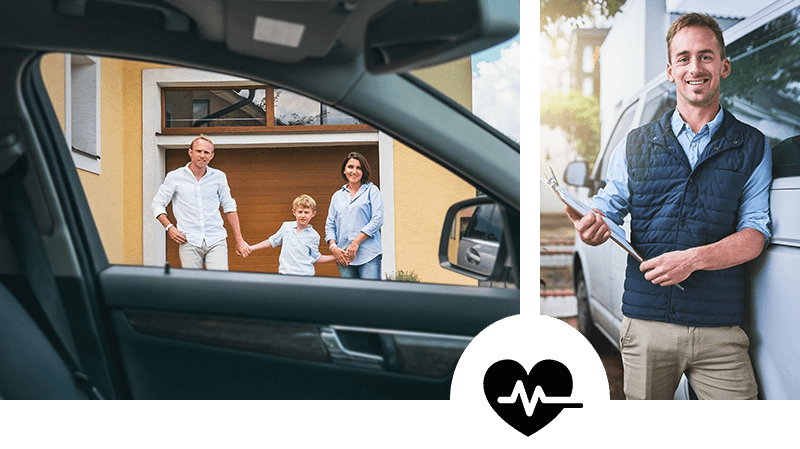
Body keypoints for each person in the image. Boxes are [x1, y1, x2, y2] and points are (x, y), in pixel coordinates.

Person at [567, 13, 772, 400]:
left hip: (720, 330)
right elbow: (606, 208)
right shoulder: (635, 143)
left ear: (723, 66)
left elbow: (755, 234)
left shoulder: (753, 145)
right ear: (670, 70)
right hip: (648, 326)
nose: (695, 67)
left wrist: (692, 259)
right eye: (684, 58)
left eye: (706, 56)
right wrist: (590, 225)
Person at [151, 136, 250, 270]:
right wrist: (170, 228)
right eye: (199, 151)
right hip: (189, 241)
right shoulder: (175, 177)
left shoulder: (219, 177)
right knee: (193, 286)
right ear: (190, 152)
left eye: (206, 152)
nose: (202, 155)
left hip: (216, 239)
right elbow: (157, 204)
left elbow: (229, 207)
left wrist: (239, 240)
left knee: (219, 283)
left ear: (212, 156)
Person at [325, 152, 384, 279]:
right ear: (344, 170)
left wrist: (356, 242)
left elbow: (377, 219)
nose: (354, 171)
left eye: (359, 168)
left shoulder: (372, 191)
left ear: (363, 172)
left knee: (370, 296)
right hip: (344, 257)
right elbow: (330, 224)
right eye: (350, 167)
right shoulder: (337, 196)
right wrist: (333, 247)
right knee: (349, 297)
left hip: (369, 255)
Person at [245, 194, 335, 276]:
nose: (303, 215)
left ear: (313, 214)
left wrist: (335, 257)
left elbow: (316, 258)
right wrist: (251, 248)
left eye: (306, 212)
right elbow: (271, 241)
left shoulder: (314, 236)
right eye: (300, 212)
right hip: (285, 275)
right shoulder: (286, 227)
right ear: (294, 212)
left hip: (306, 276)